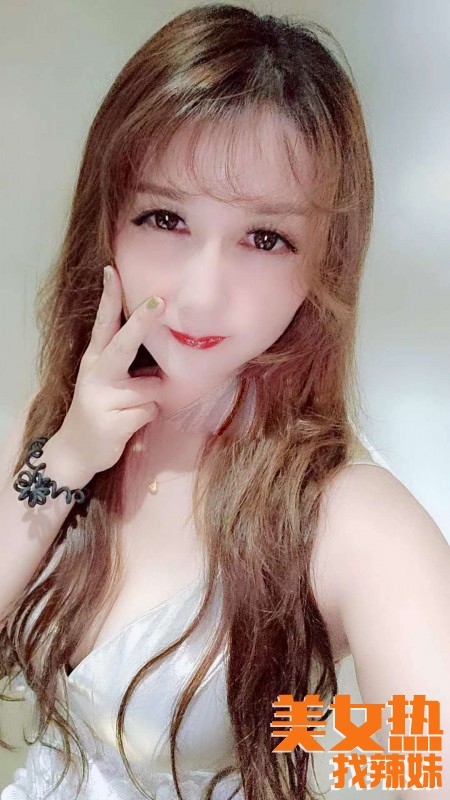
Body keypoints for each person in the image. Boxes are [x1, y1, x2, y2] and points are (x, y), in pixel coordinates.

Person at [0, 4, 449, 800]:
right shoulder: (68, 418)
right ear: (107, 224)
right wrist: (66, 460)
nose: (201, 294)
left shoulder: (350, 519)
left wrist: (300, 751)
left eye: (265, 238)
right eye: (166, 218)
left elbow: (426, 759)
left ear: (323, 264)